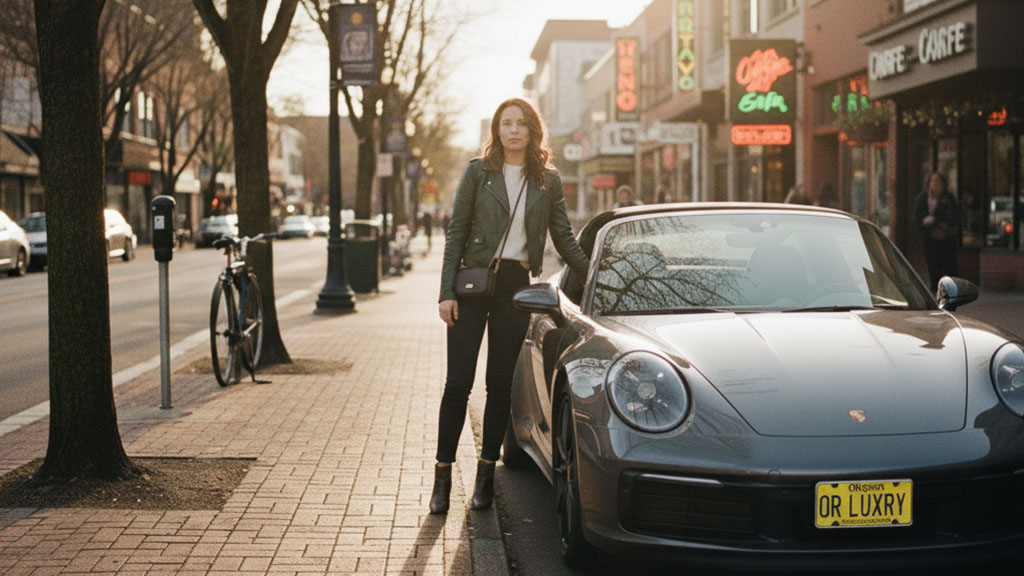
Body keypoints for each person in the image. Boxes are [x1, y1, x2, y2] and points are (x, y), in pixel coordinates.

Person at [431, 98, 590, 514]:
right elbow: (456, 233)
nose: (513, 130)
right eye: (506, 123)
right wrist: (446, 292)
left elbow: (564, 238)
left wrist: (595, 273)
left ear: (532, 129)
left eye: (521, 123)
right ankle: (442, 477)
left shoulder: (547, 181)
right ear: (497, 131)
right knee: (457, 383)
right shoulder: (477, 172)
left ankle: (485, 478)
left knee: (499, 385)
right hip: (472, 283)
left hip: (515, 287)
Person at [914, 171, 960, 291]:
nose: (936, 185)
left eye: (938, 182)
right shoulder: (922, 198)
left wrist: (939, 222)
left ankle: (952, 292)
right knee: (934, 268)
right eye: (933, 182)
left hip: (946, 240)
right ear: (928, 184)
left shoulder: (948, 198)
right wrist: (925, 222)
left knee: (950, 268)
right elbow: (917, 217)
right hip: (930, 240)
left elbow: (955, 217)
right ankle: (935, 291)